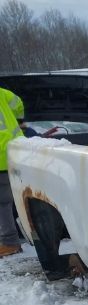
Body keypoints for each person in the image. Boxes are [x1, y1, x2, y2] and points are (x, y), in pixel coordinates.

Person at [0, 87, 24, 258]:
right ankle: (29, 235)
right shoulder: (2, 92)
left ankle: (10, 242)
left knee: (3, 203)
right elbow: (18, 104)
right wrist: (19, 119)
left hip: (1, 156)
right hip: (18, 151)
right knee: (20, 197)